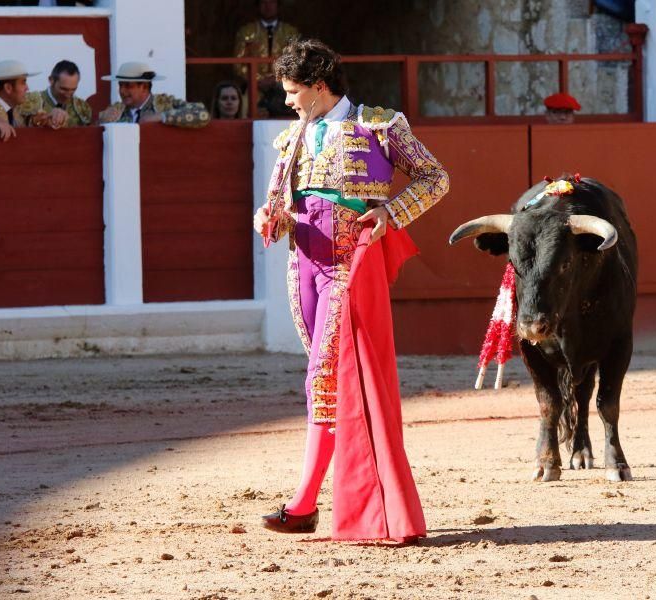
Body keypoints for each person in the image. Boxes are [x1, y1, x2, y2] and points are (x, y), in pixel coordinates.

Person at [253, 38, 449, 542]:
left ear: (319, 87)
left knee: (323, 377)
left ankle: (302, 503)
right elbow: (276, 204)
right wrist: (269, 218)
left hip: (348, 263)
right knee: (326, 377)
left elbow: (435, 178)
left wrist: (390, 212)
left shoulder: (379, 125)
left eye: (294, 91)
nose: (289, 100)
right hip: (306, 261)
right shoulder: (294, 137)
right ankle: (326, 501)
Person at [234, 0, 299, 117]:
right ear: (258, 6)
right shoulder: (246, 32)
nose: (268, 6)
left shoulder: (291, 32)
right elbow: (238, 63)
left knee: (295, 105)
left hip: (283, 83)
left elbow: (296, 61)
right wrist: (257, 80)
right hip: (254, 85)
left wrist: (278, 78)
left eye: (272, 2)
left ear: (278, 5)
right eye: (263, 2)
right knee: (244, 106)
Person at [98, 62, 210, 128]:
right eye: (120, 85)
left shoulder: (165, 103)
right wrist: (101, 122)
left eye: (128, 86)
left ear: (144, 87)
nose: (122, 91)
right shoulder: (116, 109)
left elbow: (202, 114)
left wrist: (161, 116)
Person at [19, 60, 92, 128]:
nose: (68, 94)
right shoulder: (28, 101)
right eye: (64, 89)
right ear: (51, 80)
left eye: (73, 89)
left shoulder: (82, 107)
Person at [0, 59, 39, 142]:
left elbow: (37, 120)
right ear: (8, 88)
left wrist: (48, 118)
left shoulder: (23, 105)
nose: (27, 88)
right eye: (23, 82)